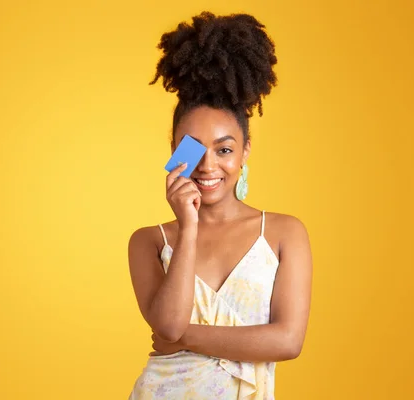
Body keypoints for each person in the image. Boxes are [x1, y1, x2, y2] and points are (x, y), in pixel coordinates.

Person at [127, 11, 313, 399]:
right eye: (192, 149)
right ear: (174, 150)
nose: (208, 166)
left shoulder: (284, 233)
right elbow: (168, 322)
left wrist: (184, 338)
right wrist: (189, 226)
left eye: (224, 149)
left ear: (244, 151)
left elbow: (288, 340)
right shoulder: (148, 241)